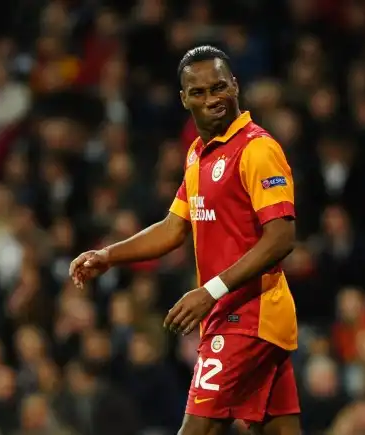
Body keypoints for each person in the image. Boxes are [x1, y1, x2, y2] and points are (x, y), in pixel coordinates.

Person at [69, 46, 301, 435]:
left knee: (197, 430)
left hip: (247, 316)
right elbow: (173, 227)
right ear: (183, 99)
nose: (211, 99)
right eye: (199, 92)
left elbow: (281, 237)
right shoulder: (198, 155)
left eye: (219, 87)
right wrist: (108, 255)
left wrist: (210, 291)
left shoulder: (257, 149)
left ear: (235, 86)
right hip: (241, 318)